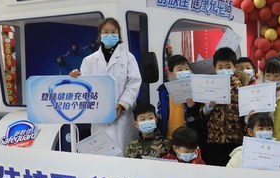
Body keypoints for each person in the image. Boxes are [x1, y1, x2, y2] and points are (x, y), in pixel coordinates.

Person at [70, 17, 142, 154]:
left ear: (119, 34)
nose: (110, 35)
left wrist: (122, 104)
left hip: (122, 117)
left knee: (125, 155)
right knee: (103, 158)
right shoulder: (89, 60)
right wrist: (77, 77)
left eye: (113, 32)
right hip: (100, 118)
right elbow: (86, 87)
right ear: (100, 34)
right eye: (106, 32)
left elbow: (134, 82)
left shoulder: (128, 57)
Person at [201, 47, 245, 166]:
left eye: (228, 67)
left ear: (235, 67)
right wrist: (208, 107)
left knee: (234, 170)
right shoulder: (208, 86)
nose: (224, 70)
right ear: (214, 68)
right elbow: (202, 114)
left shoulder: (242, 86)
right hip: (214, 138)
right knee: (216, 170)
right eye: (220, 67)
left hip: (236, 138)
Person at [157, 54, 203, 140]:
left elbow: (199, 113)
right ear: (171, 74)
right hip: (169, 135)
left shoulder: (195, 88)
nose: (184, 71)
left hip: (188, 135)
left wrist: (192, 107)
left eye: (187, 69)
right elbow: (161, 110)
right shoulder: (164, 89)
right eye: (180, 70)